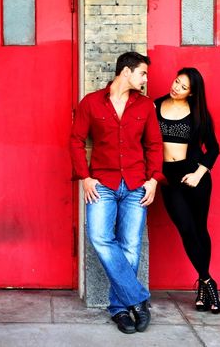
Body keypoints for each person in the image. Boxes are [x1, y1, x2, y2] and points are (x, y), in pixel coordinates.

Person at [69, 52, 163, 334]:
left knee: (131, 246)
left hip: (136, 184)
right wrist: (84, 177)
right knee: (99, 236)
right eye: (142, 73)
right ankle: (138, 299)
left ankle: (120, 309)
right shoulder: (91, 103)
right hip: (103, 183)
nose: (145, 79)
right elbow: (75, 141)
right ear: (126, 72)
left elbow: (154, 145)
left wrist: (154, 180)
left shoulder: (145, 106)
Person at [154, 68, 220, 314]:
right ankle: (207, 281)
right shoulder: (155, 106)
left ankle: (204, 288)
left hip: (194, 176)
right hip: (169, 178)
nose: (176, 88)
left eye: (183, 87)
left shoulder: (198, 114)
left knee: (199, 229)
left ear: (192, 93)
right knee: (186, 228)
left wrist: (198, 174)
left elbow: (213, 148)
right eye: (176, 82)